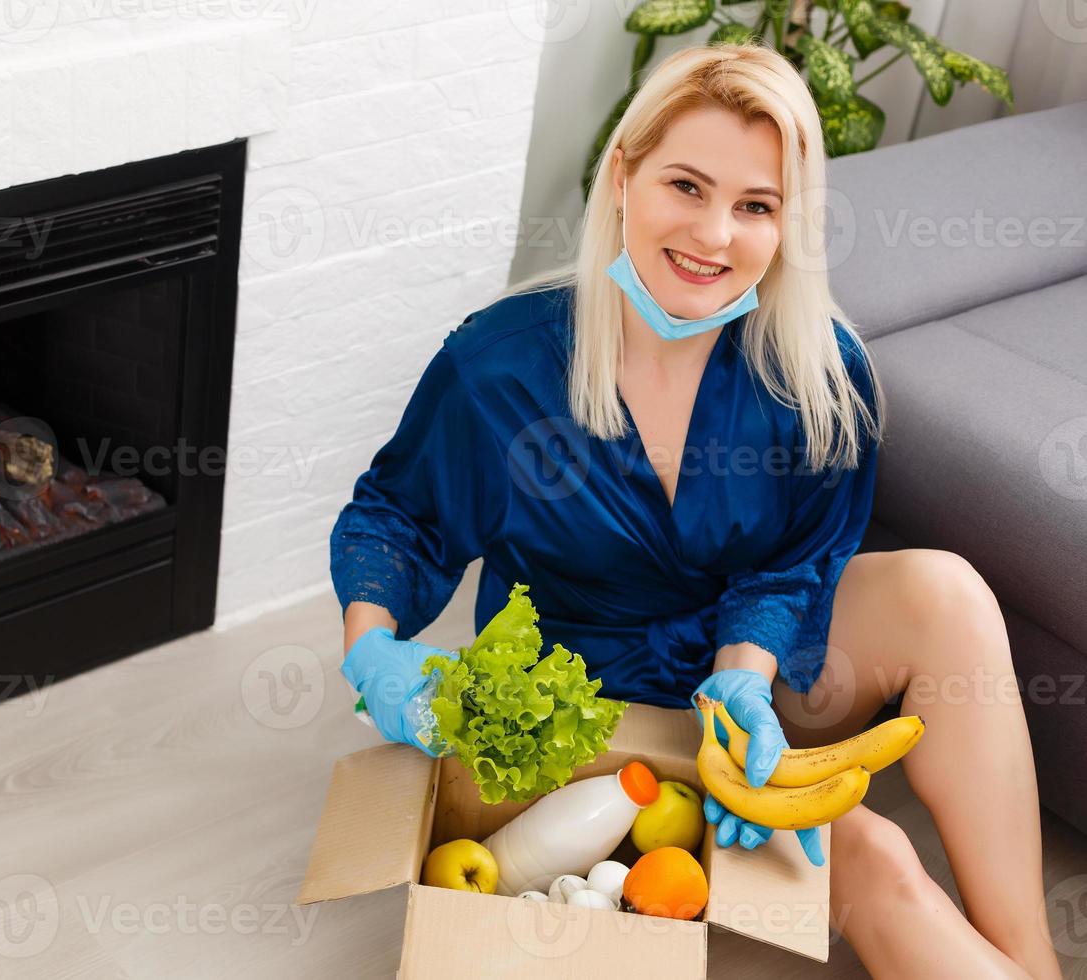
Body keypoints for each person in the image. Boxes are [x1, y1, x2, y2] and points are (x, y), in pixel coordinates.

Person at [330, 43, 1061, 980]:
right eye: (687, 185)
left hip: (741, 682)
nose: (715, 235)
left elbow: (794, 563)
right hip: (592, 712)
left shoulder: (817, 373)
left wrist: (745, 677)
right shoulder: (498, 366)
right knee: (878, 857)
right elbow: (396, 516)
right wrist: (372, 646)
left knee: (946, 592)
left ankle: (1035, 959)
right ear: (623, 177)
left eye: (756, 206)